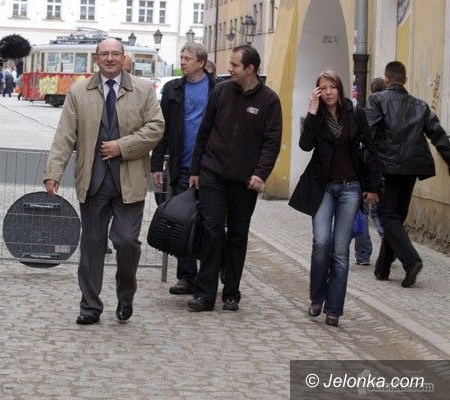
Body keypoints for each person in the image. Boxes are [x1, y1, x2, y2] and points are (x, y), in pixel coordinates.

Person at [43, 38, 164, 325]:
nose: (110, 58)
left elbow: (156, 128)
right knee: (92, 246)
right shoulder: (79, 91)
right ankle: (90, 306)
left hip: (129, 182)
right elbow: (64, 136)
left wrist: (123, 146)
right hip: (93, 182)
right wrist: (53, 173)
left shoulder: (143, 90)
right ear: (96, 58)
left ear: (124, 58)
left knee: (126, 241)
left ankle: (126, 295)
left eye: (115, 54)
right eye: (105, 54)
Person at [187, 45, 282, 312]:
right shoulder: (221, 91)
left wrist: (260, 173)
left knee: (238, 236)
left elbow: (271, 142)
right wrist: (195, 169)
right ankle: (205, 294)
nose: (229, 69)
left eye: (235, 65)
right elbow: (204, 131)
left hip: (245, 180)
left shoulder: (269, 101)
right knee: (211, 231)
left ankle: (231, 292)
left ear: (250, 69)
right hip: (213, 174)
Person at [289, 69, 381, 327]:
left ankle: (334, 309)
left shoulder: (355, 113)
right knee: (321, 243)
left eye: (332, 87)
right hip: (323, 188)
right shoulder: (316, 117)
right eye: (323, 88)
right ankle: (317, 297)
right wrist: (312, 112)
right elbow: (305, 145)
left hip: (350, 188)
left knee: (340, 251)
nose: (328, 92)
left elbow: (371, 150)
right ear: (318, 91)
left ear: (340, 89)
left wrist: (373, 187)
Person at [366, 61, 450, 287]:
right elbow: (438, 134)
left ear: (386, 79)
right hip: (413, 168)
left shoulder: (377, 100)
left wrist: (363, 166)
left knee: (387, 215)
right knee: (396, 216)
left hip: (389, 167)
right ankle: (382, 268)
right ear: (405, 79)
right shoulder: (420, 105)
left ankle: (411, 260)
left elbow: (368, 133)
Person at [151, 42, 215, 295]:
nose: (183, 62)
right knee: (180, 222)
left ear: (201, 62)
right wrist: (157, 164)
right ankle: (186, 276)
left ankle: (208, 277)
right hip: (181, 165)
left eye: (188, 58)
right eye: (181, 57)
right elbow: (162, 128)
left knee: (210, 224)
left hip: (211, 168)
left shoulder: (217, 88)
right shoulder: (173, 89)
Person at [353, 77, 386, 265]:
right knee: (380, 212)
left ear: (371, 91)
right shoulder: (391, 113)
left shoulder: (365, 112)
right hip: (387, 167)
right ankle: (390, 248)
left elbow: (363, 142)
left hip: (366, 166)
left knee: (363, 211)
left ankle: (363, 255)